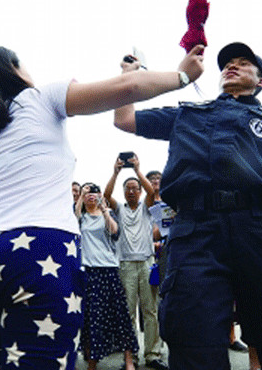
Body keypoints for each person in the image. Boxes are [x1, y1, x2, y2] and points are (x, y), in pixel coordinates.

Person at [0, 45, 204, 369]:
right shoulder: (41, 98)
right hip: (38, 251)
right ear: (13, 70)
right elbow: (125, 91)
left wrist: (128, 73)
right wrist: (183, 75)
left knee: (2, 361)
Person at [113, 41, 262, 369]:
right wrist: (130, 74)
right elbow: (124, 119)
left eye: (244, 62)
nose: (231, 66)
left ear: (260, 81)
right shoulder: (187, 114)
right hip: (195, 235)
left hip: (261, 233)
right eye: (227, 63)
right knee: (192, 339)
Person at [103, 155, 167, 370]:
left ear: (139, 191)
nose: (132, 191)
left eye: (135, 188)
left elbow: (152, 192)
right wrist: (116, 172)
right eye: (128, 188)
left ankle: (153, 355)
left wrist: (138, 170)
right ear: (124, 192)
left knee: (150, 312)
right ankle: (131, 358)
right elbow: (106, 195)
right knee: (128, 312)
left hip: (147, 262)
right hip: (126, 265)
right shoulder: (119, 209)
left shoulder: (146, 206)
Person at [76, 183, 138, 370]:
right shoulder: (81, 218)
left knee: (120, 315)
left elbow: (115, 232)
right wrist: (81, 195)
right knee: (93, 317)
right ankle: (92, 361)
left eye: (94, 192)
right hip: (89, 271)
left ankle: (128, 360)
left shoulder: (108, 214)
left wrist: (104, 210)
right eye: (87, 193)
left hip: (109, 270)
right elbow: (74, 218)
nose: (91, 195)